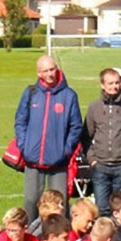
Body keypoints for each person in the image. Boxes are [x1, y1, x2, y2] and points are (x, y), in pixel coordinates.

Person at [14, 56, 83, 222]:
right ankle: (30, 238)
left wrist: (65, 150)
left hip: (58, 161)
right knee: (31, 202)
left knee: (59, 203)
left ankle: (61, 238)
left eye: (52, 69)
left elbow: (76, 126)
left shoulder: (69, 95)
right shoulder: (30, 93)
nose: (50, 73)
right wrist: (25, 146)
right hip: (33, 159)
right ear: (39, 73)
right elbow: (20, 121)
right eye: (45, 71)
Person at [84, 68, 121, 217]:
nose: (114, 86)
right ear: (102, 85)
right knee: (102, 209)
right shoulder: (94, 107)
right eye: (110, 83)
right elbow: (85, 136)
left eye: (117, 83)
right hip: (100, 167)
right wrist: (92, 160)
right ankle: (104, 239)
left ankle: (119, 239)